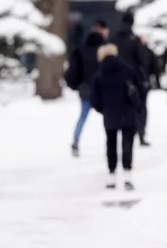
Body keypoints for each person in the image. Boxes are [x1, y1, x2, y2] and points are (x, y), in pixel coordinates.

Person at [89, 44, 146, 191]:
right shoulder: (129, 70)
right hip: (128, 113)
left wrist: (103, 110)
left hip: (110, 114)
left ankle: (111, 176)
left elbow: (94, 99)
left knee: (111, 144)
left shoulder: (99, 75)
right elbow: (142, 90)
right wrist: (138, 107)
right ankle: (127, 175)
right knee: (128, 145)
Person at [64, 19, 109, 157]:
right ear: (102, 30)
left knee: (83, 116)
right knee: (107, 117)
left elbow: (73, 69)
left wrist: (75, 84)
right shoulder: (104, 48)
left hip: (85, 88)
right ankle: (109, 143)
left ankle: (75, 141)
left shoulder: (82, 47)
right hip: (102, 88)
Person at [111, 12, 151, 146]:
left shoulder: (114, 39)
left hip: (117, 78)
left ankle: (120, 135)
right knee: (140, 106)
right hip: (134, 79)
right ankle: (140, 134)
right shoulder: (135, 39)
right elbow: (143, 60)